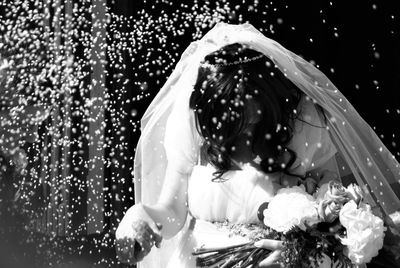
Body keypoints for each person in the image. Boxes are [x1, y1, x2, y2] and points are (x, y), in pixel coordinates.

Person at [116, 23, 400, 267]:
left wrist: (297, 256)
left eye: (254, 117)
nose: (244, 130)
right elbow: (172, 212)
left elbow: (329, 216)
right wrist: (141, 215)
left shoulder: (302, 124)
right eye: (231, 123)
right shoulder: (192, 124)